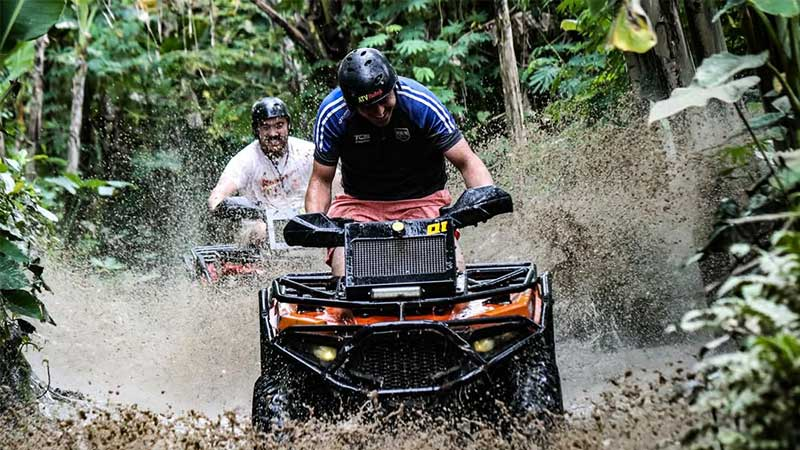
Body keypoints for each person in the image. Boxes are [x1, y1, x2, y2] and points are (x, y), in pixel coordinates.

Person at [305, 48, 494, 275]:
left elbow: (467, 161)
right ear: (351, 104)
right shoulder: (333, 113)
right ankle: (347, 311)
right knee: (344, 268)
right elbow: (321, 180)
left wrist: (484, 196)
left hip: (424, 202)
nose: (379, 111)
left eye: (384, 100)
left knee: (451, 268)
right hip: (360, 205)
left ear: (393, 86)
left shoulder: (421, 103)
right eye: (368, 107)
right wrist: (314, 223)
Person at [208, 96, 314, 244]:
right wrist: (228, 207)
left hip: (305, 223)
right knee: (260, 229)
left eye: (279, 125)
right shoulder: (246, 159)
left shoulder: (307, 152)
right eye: (266, 127)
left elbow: (335, 184)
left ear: (288, 125)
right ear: (256, 130)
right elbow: (217, 197)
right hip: (261, 227)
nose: (273, 134)